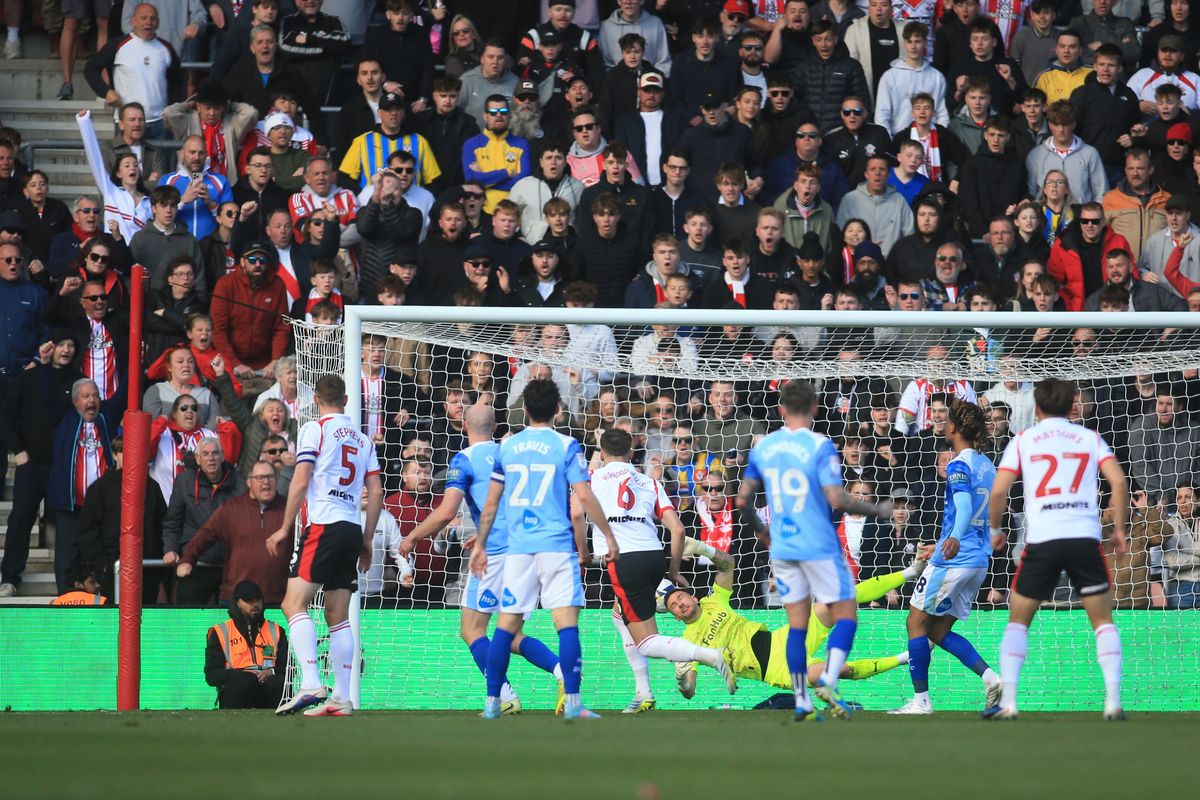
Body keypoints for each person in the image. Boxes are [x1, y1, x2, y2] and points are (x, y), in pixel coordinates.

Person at [737, 380, 893, 720]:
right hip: (818, 543)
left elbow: (742, 500)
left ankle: (803, 701)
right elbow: (837, 498)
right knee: (847, 614)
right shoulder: (821, 445)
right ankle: (829, 678)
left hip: (783, 545)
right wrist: (877, 510)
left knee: (797, 626)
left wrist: (762, 531)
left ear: (780, 410)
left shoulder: (765, 447)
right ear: (815, 409)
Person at [469, 378, 619, 720]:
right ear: (557, 410)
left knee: (505, 626)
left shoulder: (506, 447)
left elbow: (492, 503)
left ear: (524, 410)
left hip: (518, 550)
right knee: (566, 625)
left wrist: (480, 544)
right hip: (555, 547)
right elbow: (583, 498)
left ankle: (492, 703)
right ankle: (575, 705)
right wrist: (608, 537)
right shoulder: (566, 446)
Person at [400, 404, 565, 714]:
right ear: (495, 426)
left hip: (496, 556)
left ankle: (504, 696)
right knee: (512, 633)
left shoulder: (464, 460)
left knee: (472, 630)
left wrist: (412, 537)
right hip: (525, 550)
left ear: (464, 425)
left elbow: (447, 512)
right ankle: (561, 673)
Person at [985, 378, 1129, 721]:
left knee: (1018, 622)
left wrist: (994, 529)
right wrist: (1120, 530)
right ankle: (1112, 702)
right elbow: (1119, 481)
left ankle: (1010, 703)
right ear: (1071, 406)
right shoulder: (1090, 437)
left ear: (1036, 407)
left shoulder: (1023, 439)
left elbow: (999, 491)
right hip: (1084, 538)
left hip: (1043, 540)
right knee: (1103, 622)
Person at [665, 543, 929, 708]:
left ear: (692, 595)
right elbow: (690, 691)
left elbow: (728, 564)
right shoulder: (688, 642)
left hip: (786, 638)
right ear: (676, 617)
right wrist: (681, 682)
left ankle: (910, 572)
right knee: (837, 671)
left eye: (680, 597)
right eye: (674, 606)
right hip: (778, 670)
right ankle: (904, 658)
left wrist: (700, 548)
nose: (679, 604)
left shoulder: (715, 601)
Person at [584, 428, 737, 713]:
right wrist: (675, 570)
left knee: (645, 642)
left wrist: (583, 553)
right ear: (632, 453)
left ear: (602, 454)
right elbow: (677, 530)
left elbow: (577, 513)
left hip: (623, 560)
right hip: (654, 556)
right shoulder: (650, 482)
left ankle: (705, 656)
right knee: (619, 613)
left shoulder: (592, 479)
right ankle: (643, 692)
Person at [269, 375, 384, 717]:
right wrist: (366, 540)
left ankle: (310, 683)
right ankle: (342, 698)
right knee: (337, 614)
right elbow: (376, 492)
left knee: (293, 604)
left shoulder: (314, 430)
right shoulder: (364, 441)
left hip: (325, 525)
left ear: (316, 399)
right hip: (351, 526)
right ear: (347, 399)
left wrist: (285, 526)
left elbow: (301, 479)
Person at [889, 399, 1001, 715]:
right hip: (978, 559)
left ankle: (921, 702)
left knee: (915, 622)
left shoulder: (958, 465)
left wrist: (951, 538)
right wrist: (941, 544)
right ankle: (992, 679)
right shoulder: (989, 467)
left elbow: (964, 509)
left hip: (956, 557)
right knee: (938, 631)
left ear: (953, 427)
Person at [0, 330, 82, 597]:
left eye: (70, 345)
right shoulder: (30, 377)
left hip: (64, 466)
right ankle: (10, 578)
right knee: (21, 518)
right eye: (61, 344)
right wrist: (19, 452)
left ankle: (69, 584)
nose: (66, 350)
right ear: (50, 347)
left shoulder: (79, 381)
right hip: (32, 464)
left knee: (68, 525)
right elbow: (7, 416)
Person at [179, 460, 289, 604]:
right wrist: (188, 559)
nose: (266, 482)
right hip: (236, 598)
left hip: (278, 599)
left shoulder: (289, 509)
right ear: (249, 482)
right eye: (260, 478)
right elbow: (205, 534)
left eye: (270, 477)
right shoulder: (231, 508)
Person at [48, 378, 116, 594]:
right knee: (67, 556)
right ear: (75, 401)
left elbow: (124, 394)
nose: (92, 401)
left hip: (101, 509)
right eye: (86, 396)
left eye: (95, 395)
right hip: (71, 505)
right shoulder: (63, 420)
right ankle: (66, 600)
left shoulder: (106, 420)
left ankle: (104, 600)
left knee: (101, 555)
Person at [81, 4, 180, 132]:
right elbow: (90, 68)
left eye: (152, 18)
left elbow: (178, 81)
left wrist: (171, 110)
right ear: (133, 21)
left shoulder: (166, 48)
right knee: (125, 153)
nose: (148, 22)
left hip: (159, 123)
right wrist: (106, 92)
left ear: (158, 22)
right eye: (143, 18)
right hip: (127, 123)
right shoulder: (117, 45)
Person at [203, 580, 288, 709]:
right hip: (238, 687)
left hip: (268, 686)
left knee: (277, 682)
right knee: (246, 681)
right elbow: (211, 675)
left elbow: (288, 667)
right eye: (249, 601)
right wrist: (241, 674)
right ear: (237, 603)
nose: (255, 604)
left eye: (258, 600)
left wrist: (271, 671)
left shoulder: (276, 630)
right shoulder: (220, 632)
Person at [461, 95, 532, 215]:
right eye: (493, 112)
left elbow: (523, 182)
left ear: (510, 115)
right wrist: (507, 173)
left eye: (503, 111)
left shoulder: (521, 144)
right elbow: (471, 180)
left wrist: (483, 180)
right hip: (482, 212)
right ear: (485, 116)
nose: (499, 115)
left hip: (513, 215)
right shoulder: (471, 144)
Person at [278, 0, 351, 105]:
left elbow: (345, 42)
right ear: (296, 2)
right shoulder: (288, 21)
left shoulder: (334, 21)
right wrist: (326, 50)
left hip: (329, 95)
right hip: (296, 98)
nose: (310, 1)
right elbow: (284, 49)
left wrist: (309, 38)